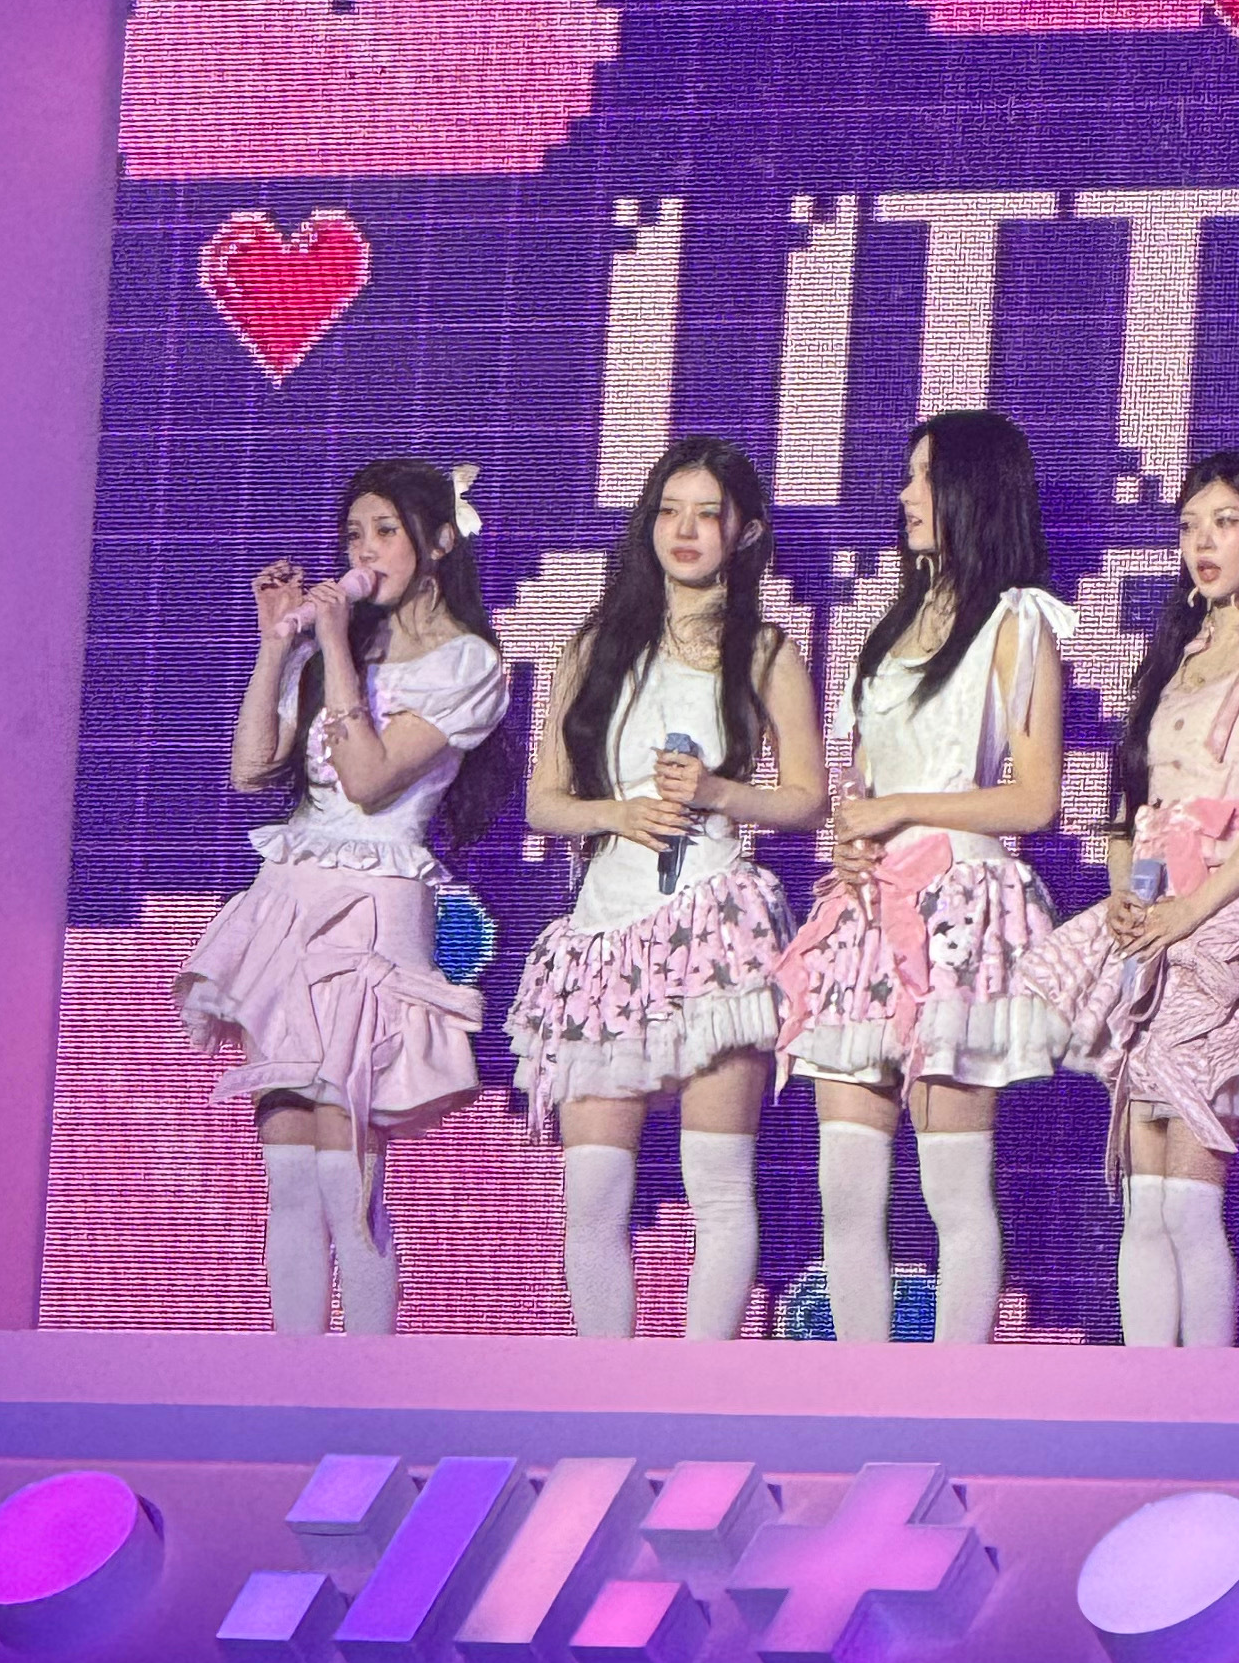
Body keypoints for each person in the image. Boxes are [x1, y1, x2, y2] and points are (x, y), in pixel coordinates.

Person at [179, 455, 511, 1336]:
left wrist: (331, 647)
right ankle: (292, 1375)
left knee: (346, 1169)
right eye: (355, 534)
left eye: (386, 532)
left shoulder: (470, 662)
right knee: (288, 1170)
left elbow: (368, 780)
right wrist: (276, 645)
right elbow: (253, 769)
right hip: (291, 897)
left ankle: (366, 1378)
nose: (364, 552)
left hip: (375, 904)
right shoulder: (342, 647)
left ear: (439, 542)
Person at [1017, 449, 1239, 1346]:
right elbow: (1133, 808)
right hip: (1149, 924)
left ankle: (1205, 1399)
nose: (1205, 543)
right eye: (1191, 526)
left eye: (1227, 523)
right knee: (1145, 1200)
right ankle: (1145, 1392)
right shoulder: (1179, 651)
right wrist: (1126, 894)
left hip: (1219, 921)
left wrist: (1190, 914)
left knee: (1193, 1201)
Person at [509, 437, 827, 1340]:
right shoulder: (596, 646)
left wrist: (720, 793)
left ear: (745, 532)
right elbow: (542, 801)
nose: (685, 530)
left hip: (714, 922)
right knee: (592, 1196)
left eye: (707, 514)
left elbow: (809, 798)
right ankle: (604, 1390)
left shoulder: (764, 651)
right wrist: (616, 812)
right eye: (669, 511)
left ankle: (702, 1387)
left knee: (718, 1187)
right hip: (605, 933)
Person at [775, 410, 1071, 1345]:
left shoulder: (1018, 623)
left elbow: (1035, 798)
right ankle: (860, 1387)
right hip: (868, 912)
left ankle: (956, 1392)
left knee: (953, 1185)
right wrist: (855, 837)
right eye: (906, 477)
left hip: (956, 908)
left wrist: (902, 810)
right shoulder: (892, 626)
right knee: (846, 1186)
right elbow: (864, 785)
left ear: (973, 491)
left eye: (924, 477)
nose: (905, 496)